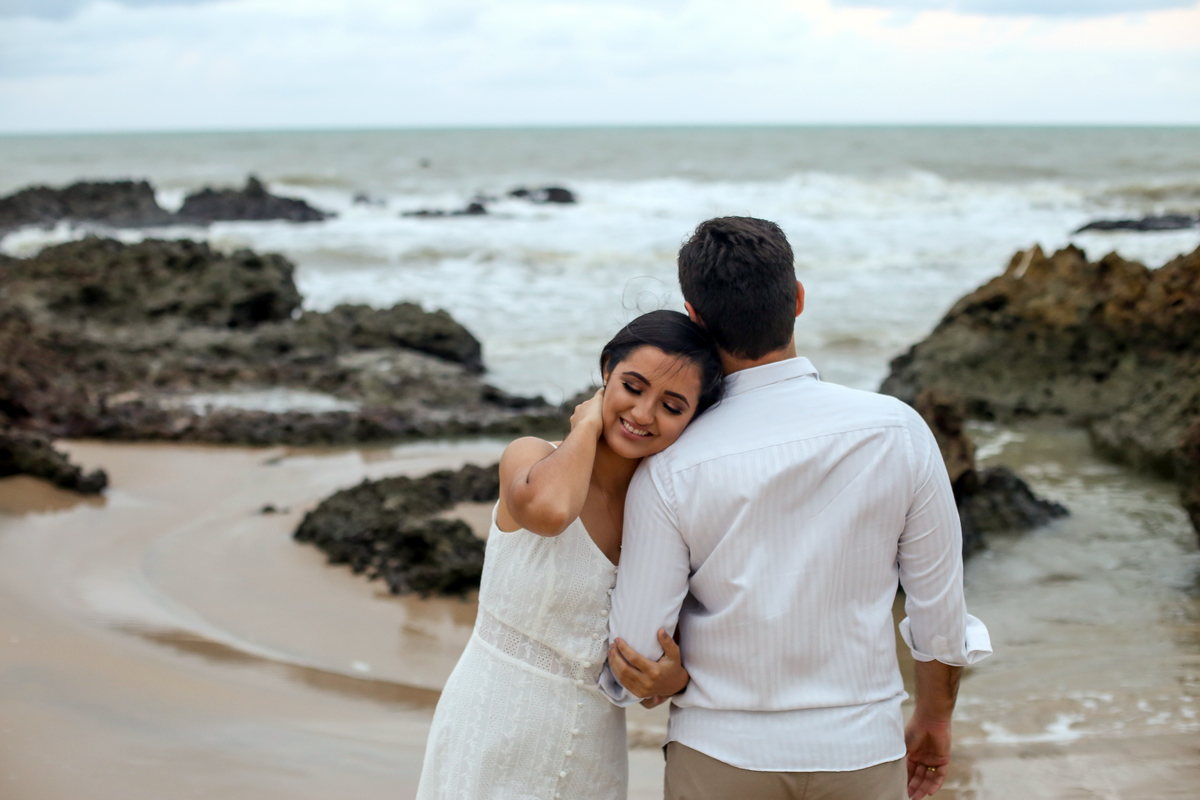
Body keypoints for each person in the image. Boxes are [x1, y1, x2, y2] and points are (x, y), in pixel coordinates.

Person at [600, 217, 992, 800]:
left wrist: (665, 680)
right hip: (861, 749)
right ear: (798, 299)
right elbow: (939, 609)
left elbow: (638, 650)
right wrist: (934, 720)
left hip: (721, 751)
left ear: (695, 318)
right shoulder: (898, 430)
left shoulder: (671, 465)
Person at [415, 310, 724, 800]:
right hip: (491, 731)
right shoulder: (531, 456)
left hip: (593, 755)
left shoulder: (667, 518)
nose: (644, 414)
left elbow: (661, 656)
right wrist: (586, 426)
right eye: (632, 387)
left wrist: (670, 680)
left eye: (671, 406)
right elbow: (552, 512)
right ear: (606, 370)